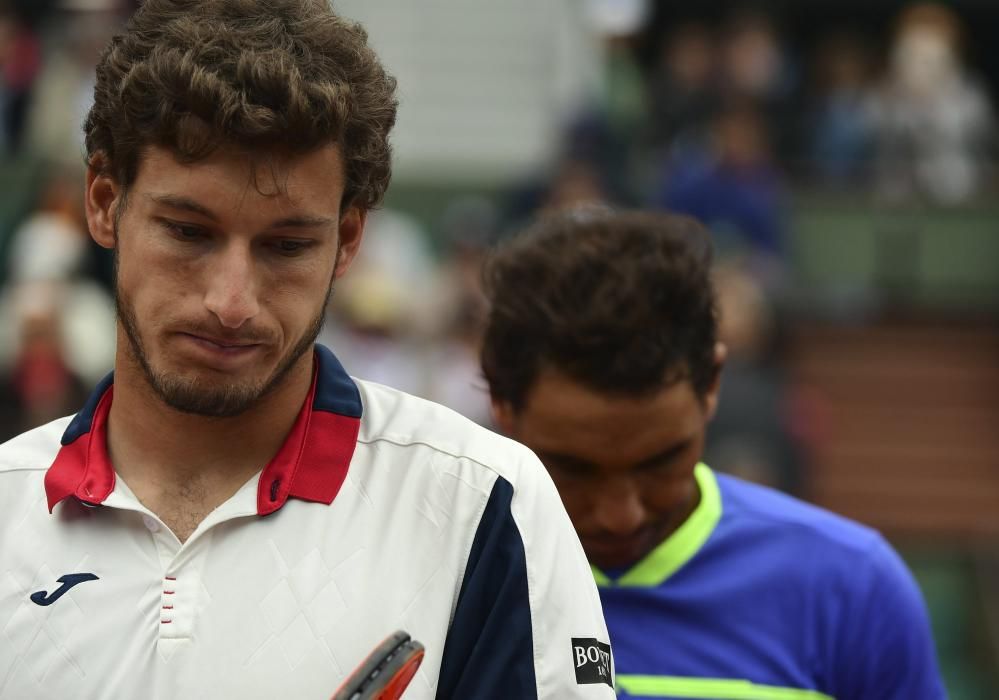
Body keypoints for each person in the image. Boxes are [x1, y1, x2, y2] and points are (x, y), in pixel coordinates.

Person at [0, 2, 614, 699]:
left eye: (287, 246)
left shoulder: (484, 503)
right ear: (105, 201)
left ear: (348, 241)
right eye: (188, 233)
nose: (231, 302)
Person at [481, 208, 946, 699]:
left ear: (712, 385)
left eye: (661, 461)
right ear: (501, 404)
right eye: (572, 468)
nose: (621, 515)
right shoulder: (443, 571)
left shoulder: (854, 590)